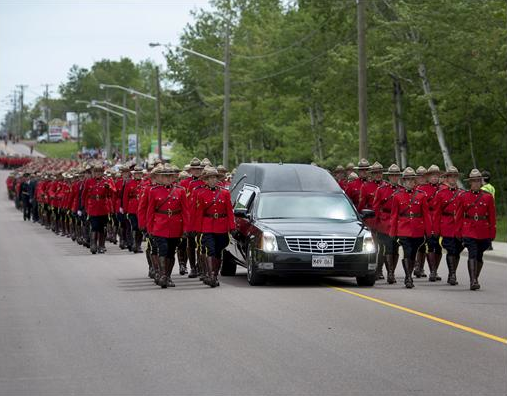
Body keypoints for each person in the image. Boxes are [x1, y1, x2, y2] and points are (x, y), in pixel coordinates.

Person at [145, 164, 188, 288]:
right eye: (165, 177)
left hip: (175, 226)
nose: (168, 179)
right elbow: (150, 212)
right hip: (160, 226)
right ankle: (163, 275)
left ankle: (168, 276)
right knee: (162, 249)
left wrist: (185, 229)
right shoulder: (154, 191)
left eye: (170, 177)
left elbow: (185, 212)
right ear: (161, 178)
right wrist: (149, 228)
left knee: (171, 252)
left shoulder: (180, 191)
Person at [390, 167, 432, 289]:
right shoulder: (397, 196)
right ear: (403, 182)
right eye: (407, 180)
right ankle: (408, 277)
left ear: (415, 182)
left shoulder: (421, 196)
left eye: (411, 180)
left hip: (417, 229)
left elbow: (426, 215)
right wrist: (393, 231)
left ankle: (409, 274)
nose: (409, 182)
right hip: (403, 228)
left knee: (413, 253)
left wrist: (428, 232)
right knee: (407, 252)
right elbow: (394, 215)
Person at [193, 166, 236, 288]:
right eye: (210, 178)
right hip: (207, 225)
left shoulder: (225, 193)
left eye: (214, 178)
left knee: (218, 251)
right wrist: (197, 229)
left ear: (218, 179)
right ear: (205, 180)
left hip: (221, 226)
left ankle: (215, 274)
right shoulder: (200, 193)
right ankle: (212, 275)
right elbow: (199, 213)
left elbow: (229, 211)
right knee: (210, 250)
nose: (212, 180)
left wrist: (232, 227)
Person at [456, 169, 496, 290]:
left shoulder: (488, 197)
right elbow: (459, 215)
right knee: (472, 253)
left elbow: (492, 216)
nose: (476, 183)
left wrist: (492, 232)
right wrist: (459, 231)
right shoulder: (464, 196)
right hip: (469, 229)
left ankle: (475, 277)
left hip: (483, 230)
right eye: (474, 181)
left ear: (481, 182)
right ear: (470, 183)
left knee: (479, 255)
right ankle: (473, 280)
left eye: (478, 181)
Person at [432, 166, 464, 284]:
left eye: (455, 176)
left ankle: (453, 272)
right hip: (446, 224)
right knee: (450, 250)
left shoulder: (462, 193)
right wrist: (436, 230)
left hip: (459, 225)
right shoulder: (440, 193)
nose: (453, 179)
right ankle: (452, 274)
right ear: (447, 178)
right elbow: (436, 213)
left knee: (457, 250)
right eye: (451, 176)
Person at [373, 164, 401, 283]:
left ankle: (392, 271)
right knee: (387, 247)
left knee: (395, 248)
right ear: (389, 177)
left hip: (398, 223)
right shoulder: (381, 190)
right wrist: (375, 225)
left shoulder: (402, 190)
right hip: (384, 222)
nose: (394, 178)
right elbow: (376, 208)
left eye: (396, 175)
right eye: (392, 175)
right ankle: (389, 273)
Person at [415, 164, 442, 279]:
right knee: (428, 245)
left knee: (439, 247)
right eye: (432, 175)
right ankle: (432, 271)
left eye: (437, 175)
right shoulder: (421, 189)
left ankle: (434, 269)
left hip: (441, 220)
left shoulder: (443, 189)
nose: (435, 178)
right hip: (426, 219)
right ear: (428, 177)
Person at [358, 161, 384, 278]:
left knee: (384, 247)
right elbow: (361, 204)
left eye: (380, 173)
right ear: (371, 174)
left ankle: (380, 270)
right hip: (371, 220)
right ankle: (371, 268)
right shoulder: (366, 186)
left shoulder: (386, 186)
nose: (378, 175)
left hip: (384, 221)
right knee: (373, 247)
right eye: (375, 173)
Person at [82, 163, 114, 254]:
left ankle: (101, 245)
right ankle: (93, 244)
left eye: (100, 172)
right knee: (94, 226)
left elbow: (111, 194)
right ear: (93, 173)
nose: (98, 173)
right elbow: (84, 195)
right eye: (96, 172)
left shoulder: (106, 181)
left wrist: (109, 188)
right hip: (92, 207)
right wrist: (85, 207)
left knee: (102, 227)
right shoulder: (89, 181)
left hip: (103, 207)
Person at [123, 166, 144, 253]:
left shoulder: (145, 183)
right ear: (134, 174)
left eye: (140, 173)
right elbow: (125, 197)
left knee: (141, 227)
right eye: (136, 174)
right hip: (132, 208)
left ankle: (138, 245)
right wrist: (125, 209)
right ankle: (134, 243)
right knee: (134, 226)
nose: (138, 175)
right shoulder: (129, 183)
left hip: (142, 208)